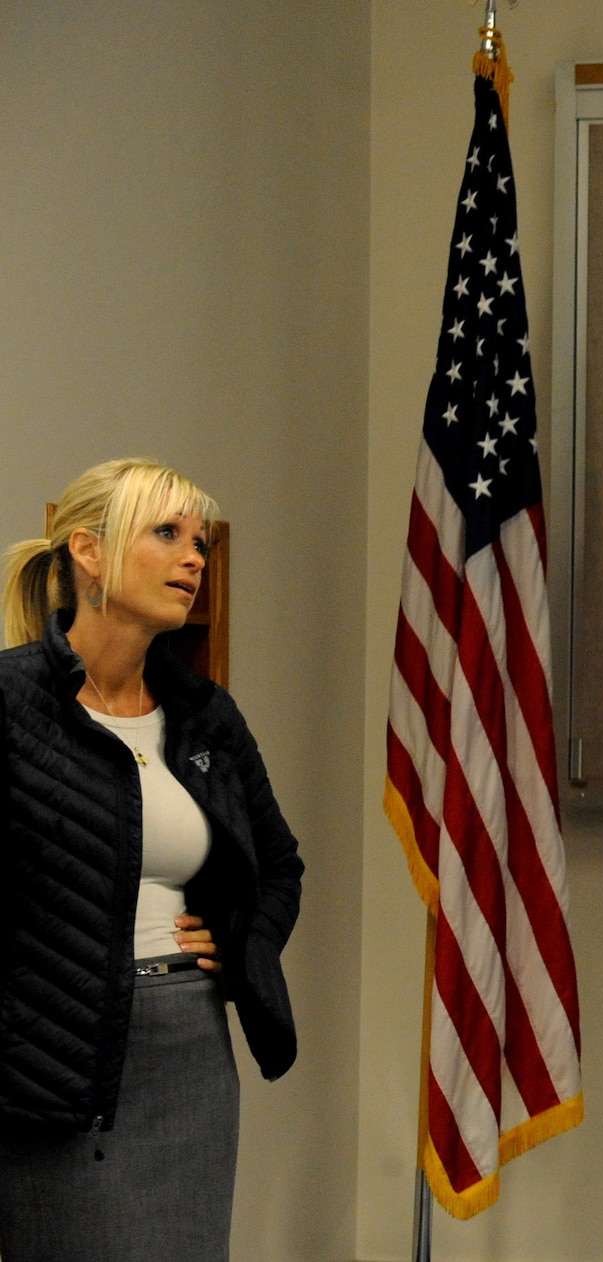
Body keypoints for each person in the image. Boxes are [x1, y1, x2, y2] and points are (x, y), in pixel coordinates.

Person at [0, 458, 304, 1259]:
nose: (196, 557)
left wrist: (241, 948)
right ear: (87, 551)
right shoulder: (11, 701)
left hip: (192, 1055)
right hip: (55, 1068)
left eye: (200, 540)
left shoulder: (204, 713)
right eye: (167, 533)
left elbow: (280, 867)